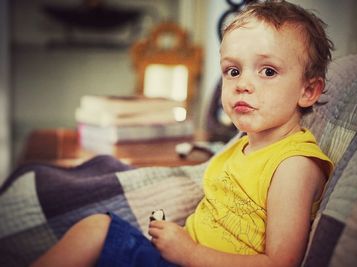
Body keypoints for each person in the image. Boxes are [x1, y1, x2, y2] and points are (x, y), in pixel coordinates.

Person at [31, 1, 334, 266]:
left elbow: (281, 263)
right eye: (233, 70)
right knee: (95, 227)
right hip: (179, 256)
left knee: (96, 230)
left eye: (268, 71)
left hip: (189, 260)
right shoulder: (241, 146)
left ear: (308, 90)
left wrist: (188, 253)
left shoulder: (293, 165)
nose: (242, 84)